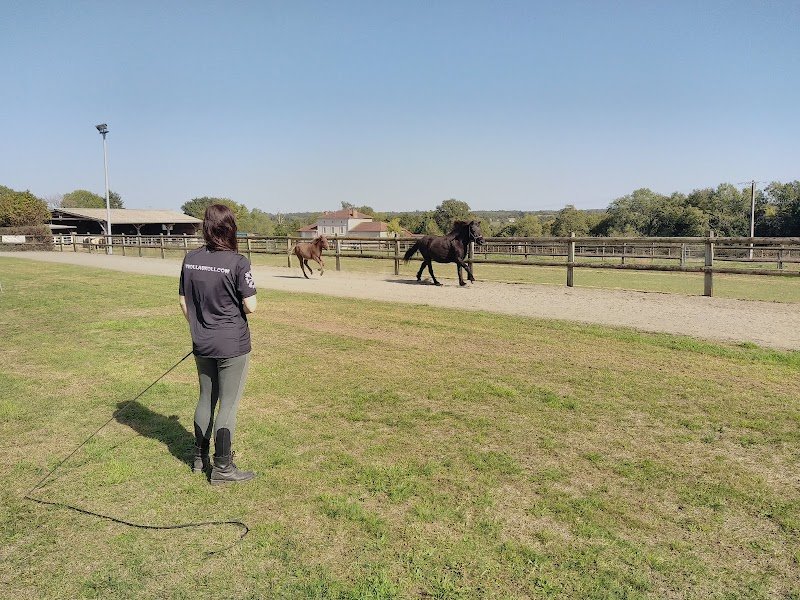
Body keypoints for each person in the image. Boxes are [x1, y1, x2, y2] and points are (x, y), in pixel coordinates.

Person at [179, 204, 258, 485]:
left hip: (202, 342)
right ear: (230, 228)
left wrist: (200, 328)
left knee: (205, 398)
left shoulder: (190, 259)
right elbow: (251, 305)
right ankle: (223, 468)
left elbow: (183, 301)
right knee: (228, 404)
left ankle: (199, 458)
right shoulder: (238, 262)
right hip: (231, 343)